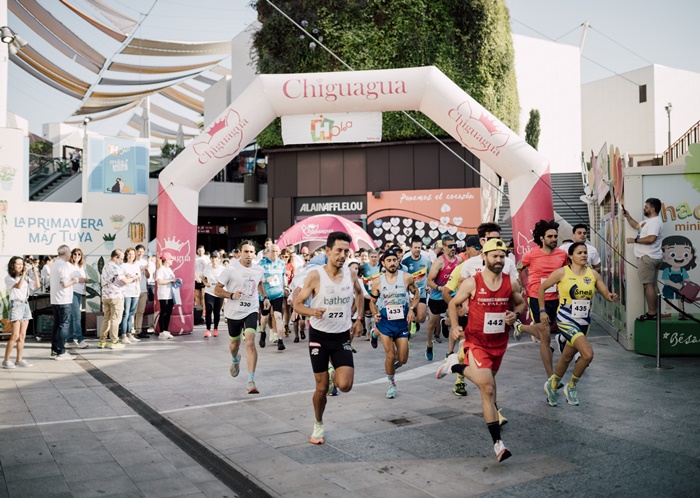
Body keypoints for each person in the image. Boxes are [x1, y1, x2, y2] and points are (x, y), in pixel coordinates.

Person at [437, 239, 526, 462]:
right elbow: (452, 303)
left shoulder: (510, 282)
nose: (499, 260)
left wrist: (515, 314)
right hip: (476, 341)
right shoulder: (472, 282)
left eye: (502, 256)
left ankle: (454, 366)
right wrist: (456, 325)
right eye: (494, 256)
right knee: (487, 387)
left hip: (499, 343)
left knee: (489, 383)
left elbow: (521, 304)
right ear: (484, 257)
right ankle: (498, 444)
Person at [293, 232, 365, 445]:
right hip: (319, 337)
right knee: (322, 388)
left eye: (346, 251)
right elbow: (297, 304)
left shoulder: (351, 273)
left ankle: (334, 370)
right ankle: (318, 423)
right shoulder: (316, 275)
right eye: (338, 251)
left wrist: (358, 318)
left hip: (341, 336)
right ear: (327, 251)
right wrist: (311, 312)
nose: (343, 255)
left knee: (345, 385)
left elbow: (359, 294)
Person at [541, 242, 619, 406]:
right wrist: (542, 311)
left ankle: (553, 384)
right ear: (570, 256)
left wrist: (611, 297)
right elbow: (542, 288)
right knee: (588, 354)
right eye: (579, 253)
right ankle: (571, 386)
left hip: (584, 321)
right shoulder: (562, 273)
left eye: (585, 252)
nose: (584, 255)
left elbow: (605, 293)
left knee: (567, 356)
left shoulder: (593, 275)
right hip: (565, 319)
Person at [515, 220, 568, 381]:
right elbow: (519, 267)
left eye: (555, 236)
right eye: (550, 236)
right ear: (542, 238)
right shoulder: (531, 254)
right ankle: (551, 377)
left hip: (558, 299)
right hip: (537, 299)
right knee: (545, 336)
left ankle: (521, 327)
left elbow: (566, 273)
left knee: (562, 330)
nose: (553, 239)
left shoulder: (562, 254)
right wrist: (523, 285)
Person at [215, 241, 270, 394]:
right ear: (239, 253)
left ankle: (251, 382)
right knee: (234, 344)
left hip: (251, 310)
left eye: (251, 252)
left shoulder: (258, 269)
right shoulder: (231, 269)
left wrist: (265, 297)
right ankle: (235, 359)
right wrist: (230, 295)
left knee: (250, 343)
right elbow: (217, 289)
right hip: (233, 312)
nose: (249, 255)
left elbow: (259, 284)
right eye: (246, 252)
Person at [369, 249, 419, 399]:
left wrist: (412, 309)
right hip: (385, 322)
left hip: (402, 322)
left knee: (402, 359)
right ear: (383, 263)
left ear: (398, 261)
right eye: (388, 261)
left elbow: (416, 294)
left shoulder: (407, 278)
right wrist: (375, 313)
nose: (392, 263)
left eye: (394, 260)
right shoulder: (378, 281)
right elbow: (372, 301)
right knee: (390, 355)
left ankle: (374, 333)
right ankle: (391, 384)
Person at [623, 198, 665, 321]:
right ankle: (655, 312)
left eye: (646, 207)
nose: (644, 209)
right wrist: (628, 216)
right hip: (651, 257)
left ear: (653, 209)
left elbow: (651, 239)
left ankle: (652, 313)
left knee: (648, 285)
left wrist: (634, 240)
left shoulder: (655, 222)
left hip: (648, 257)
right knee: (652, 284)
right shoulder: (649, 221)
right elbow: (636, 225)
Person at [425, 235, 460, 360]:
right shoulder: (439, 262)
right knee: (431, 324)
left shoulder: (459, 260)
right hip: (437, 297)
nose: (453, 248)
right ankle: (429, 345)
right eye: (450, 246)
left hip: (452, 295)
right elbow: (429, 281)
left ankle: (449, 352)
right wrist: (440, 288)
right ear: (444, 247)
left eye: (454, 246)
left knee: (455, 320)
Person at [3, 257, 40, 368]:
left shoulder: (25, 277)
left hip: (25, 305)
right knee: (14, 335)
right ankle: (6, 360)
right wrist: (24, 274)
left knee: (22, 335)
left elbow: (37, 286)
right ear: (12, 266)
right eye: (18, 264)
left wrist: (35, 273)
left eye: (21, 264)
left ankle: (19, 360)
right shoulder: (9, 278)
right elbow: (18, 286)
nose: (20, 266)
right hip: (16, 305)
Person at [99, 249, 135, 349]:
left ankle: (102, 341)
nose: (121, 261)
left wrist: (125, 277)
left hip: (106, 296)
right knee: (115, 319)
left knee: (107, 319)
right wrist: (133, 279)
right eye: (121, 259)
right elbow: (124, 281)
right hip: (116, 296)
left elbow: (115, 279)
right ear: (116, 257)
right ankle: (114, 342)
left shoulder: (106, 266)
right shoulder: (115, 267)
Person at [50, 246, 81, 359]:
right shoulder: (63, 265)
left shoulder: (55, 264)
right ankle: (61, 351)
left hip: (55, 299)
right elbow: (64, 283)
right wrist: (75, 280)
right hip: (63, 299)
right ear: (66, 253)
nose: (71, 254)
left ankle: (55, 350)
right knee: (64, 325)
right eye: (69, 252)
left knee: (57, 325)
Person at [258, 244, 287, 351]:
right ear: (268, 252)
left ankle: (280, 340)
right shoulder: (262, 263)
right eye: (272, 251)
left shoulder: (281, 263)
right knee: (264, 318)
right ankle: (262, 333)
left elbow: (284, 277)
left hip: (277, 293)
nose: (274, 253)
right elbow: (258, 280)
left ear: (279, 252)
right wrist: (266, 280)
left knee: (278, 316)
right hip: (265, 294)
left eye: (276, 251)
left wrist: (286, 287)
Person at [402, 236, 431, 336]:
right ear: (411, 249)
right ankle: (407, 337)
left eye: (419, 247)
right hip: (409, 293)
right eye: (415, 247)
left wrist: (430, 286)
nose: (417, 249)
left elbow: (431, 275)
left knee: (422, 318)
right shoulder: (405, 261)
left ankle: (415, 322)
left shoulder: (426, 261)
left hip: (421, 292)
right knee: (409, 316)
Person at [66, 248, 89, 349]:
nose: (77, 256)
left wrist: (80, 279)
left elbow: (85, 279)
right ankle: (80, 340)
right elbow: (70, 279)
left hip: (79, 292)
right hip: (72, 292)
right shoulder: (69, 266)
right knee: (77, 316)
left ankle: (69, 339)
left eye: (79, 254)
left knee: (72, 317)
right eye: (74, 254)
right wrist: (80, 279)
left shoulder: (81, 266)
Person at [119, 247, 142, 344]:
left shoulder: (136, 265)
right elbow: (121, 278)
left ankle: (129, 334)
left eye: (132, 254)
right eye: (129, 254)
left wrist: (137, 278)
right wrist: (128, 277)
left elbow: (139, 277)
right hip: (126, 292)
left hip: (135, 292)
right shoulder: (123, 266)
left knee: (131, 314)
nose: (131, 256)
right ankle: (123, 335)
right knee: (126, 314)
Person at [155, 252, 178, 339]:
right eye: (171, 259)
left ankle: (166, 330)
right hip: (163, 294)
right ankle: (161, 331)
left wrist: (175, 281)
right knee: (163, 312)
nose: (172, 261)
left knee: (168, 313)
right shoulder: (161, 269)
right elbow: (159, 282)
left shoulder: (169, 269)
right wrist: (171, 280)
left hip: (170, 294)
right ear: (167, 260)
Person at [202, 251, 224, 338]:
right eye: (212, 258)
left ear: (218, 259)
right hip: (209, 292)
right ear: (210, 259)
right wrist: (206, 283)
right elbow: (203, 278)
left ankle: (215, 328)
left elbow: (227, 279)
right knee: (209, 309)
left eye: (216, 258)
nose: (214, 260)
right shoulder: (207, 268)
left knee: (217, 312)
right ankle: (208, 329)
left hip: (219, 292)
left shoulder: (222, 269)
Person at [133, 244, 151, 338]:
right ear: (135, 251)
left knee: (141, 311)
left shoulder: (144, 261)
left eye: (142, 252)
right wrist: (143, 268)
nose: (140, 253)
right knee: (133, 311)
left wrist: (147, 270)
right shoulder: (133, 262)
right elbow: (134, 274)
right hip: (134, 290)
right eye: (139, 251)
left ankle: (138, 330)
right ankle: (130, 331)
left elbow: (148, 276)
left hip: (143, 290)